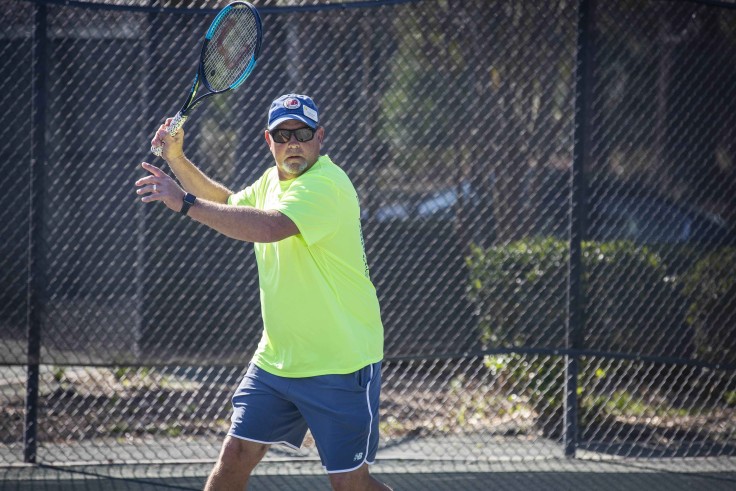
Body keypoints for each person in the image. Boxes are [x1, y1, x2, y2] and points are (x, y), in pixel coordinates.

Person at [135, 94, 392, 491]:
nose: (293, 142)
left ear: (319, 137)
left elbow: (269, 227)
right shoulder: (272, 180)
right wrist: (176, 159)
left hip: (340, 364)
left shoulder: (327, 185)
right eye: (282, 134)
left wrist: (183, 202)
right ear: (268, 140)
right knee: (234, 457)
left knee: (350, 484)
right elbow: (225, 203)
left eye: (302, 133)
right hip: (276, 362)